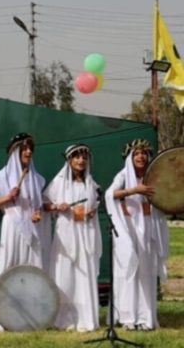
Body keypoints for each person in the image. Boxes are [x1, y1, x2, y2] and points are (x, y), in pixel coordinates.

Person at [105, 139, 169, 331]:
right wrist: (134, 190)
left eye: (144, 153)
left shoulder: (154, 176)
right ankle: (127, 317)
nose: (141, 157)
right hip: (129, 228)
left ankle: (145, 318)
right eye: (137, 154)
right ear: (130, 158)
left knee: (146, 271)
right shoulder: (124, 175)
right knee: (129, 269)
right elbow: (110, 194)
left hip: (148, 227)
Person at [43, 144, 102, 332]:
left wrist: (92, 212)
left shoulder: (91, 184)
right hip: (66, 234)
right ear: (69, 160)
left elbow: (95, 205)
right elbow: (44, 204)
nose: (81, 160)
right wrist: (56, 207)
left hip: (85, 234)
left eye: (84, 157)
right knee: (65, 274)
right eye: (77, 157)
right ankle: (63, 319)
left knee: (84, 274)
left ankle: (85, 318)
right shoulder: (59, 182)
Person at [0, 133, 50, 279]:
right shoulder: (1, 177)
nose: (29, 152)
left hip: (33, 227)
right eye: (24, 149)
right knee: (10, 266)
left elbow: (37, 205)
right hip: (12, 226)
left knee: (33, 268)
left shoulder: (37, 179)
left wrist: (37, 213)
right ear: (15, 152)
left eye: (30, 149)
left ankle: (32, 294)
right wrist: (8, 197)